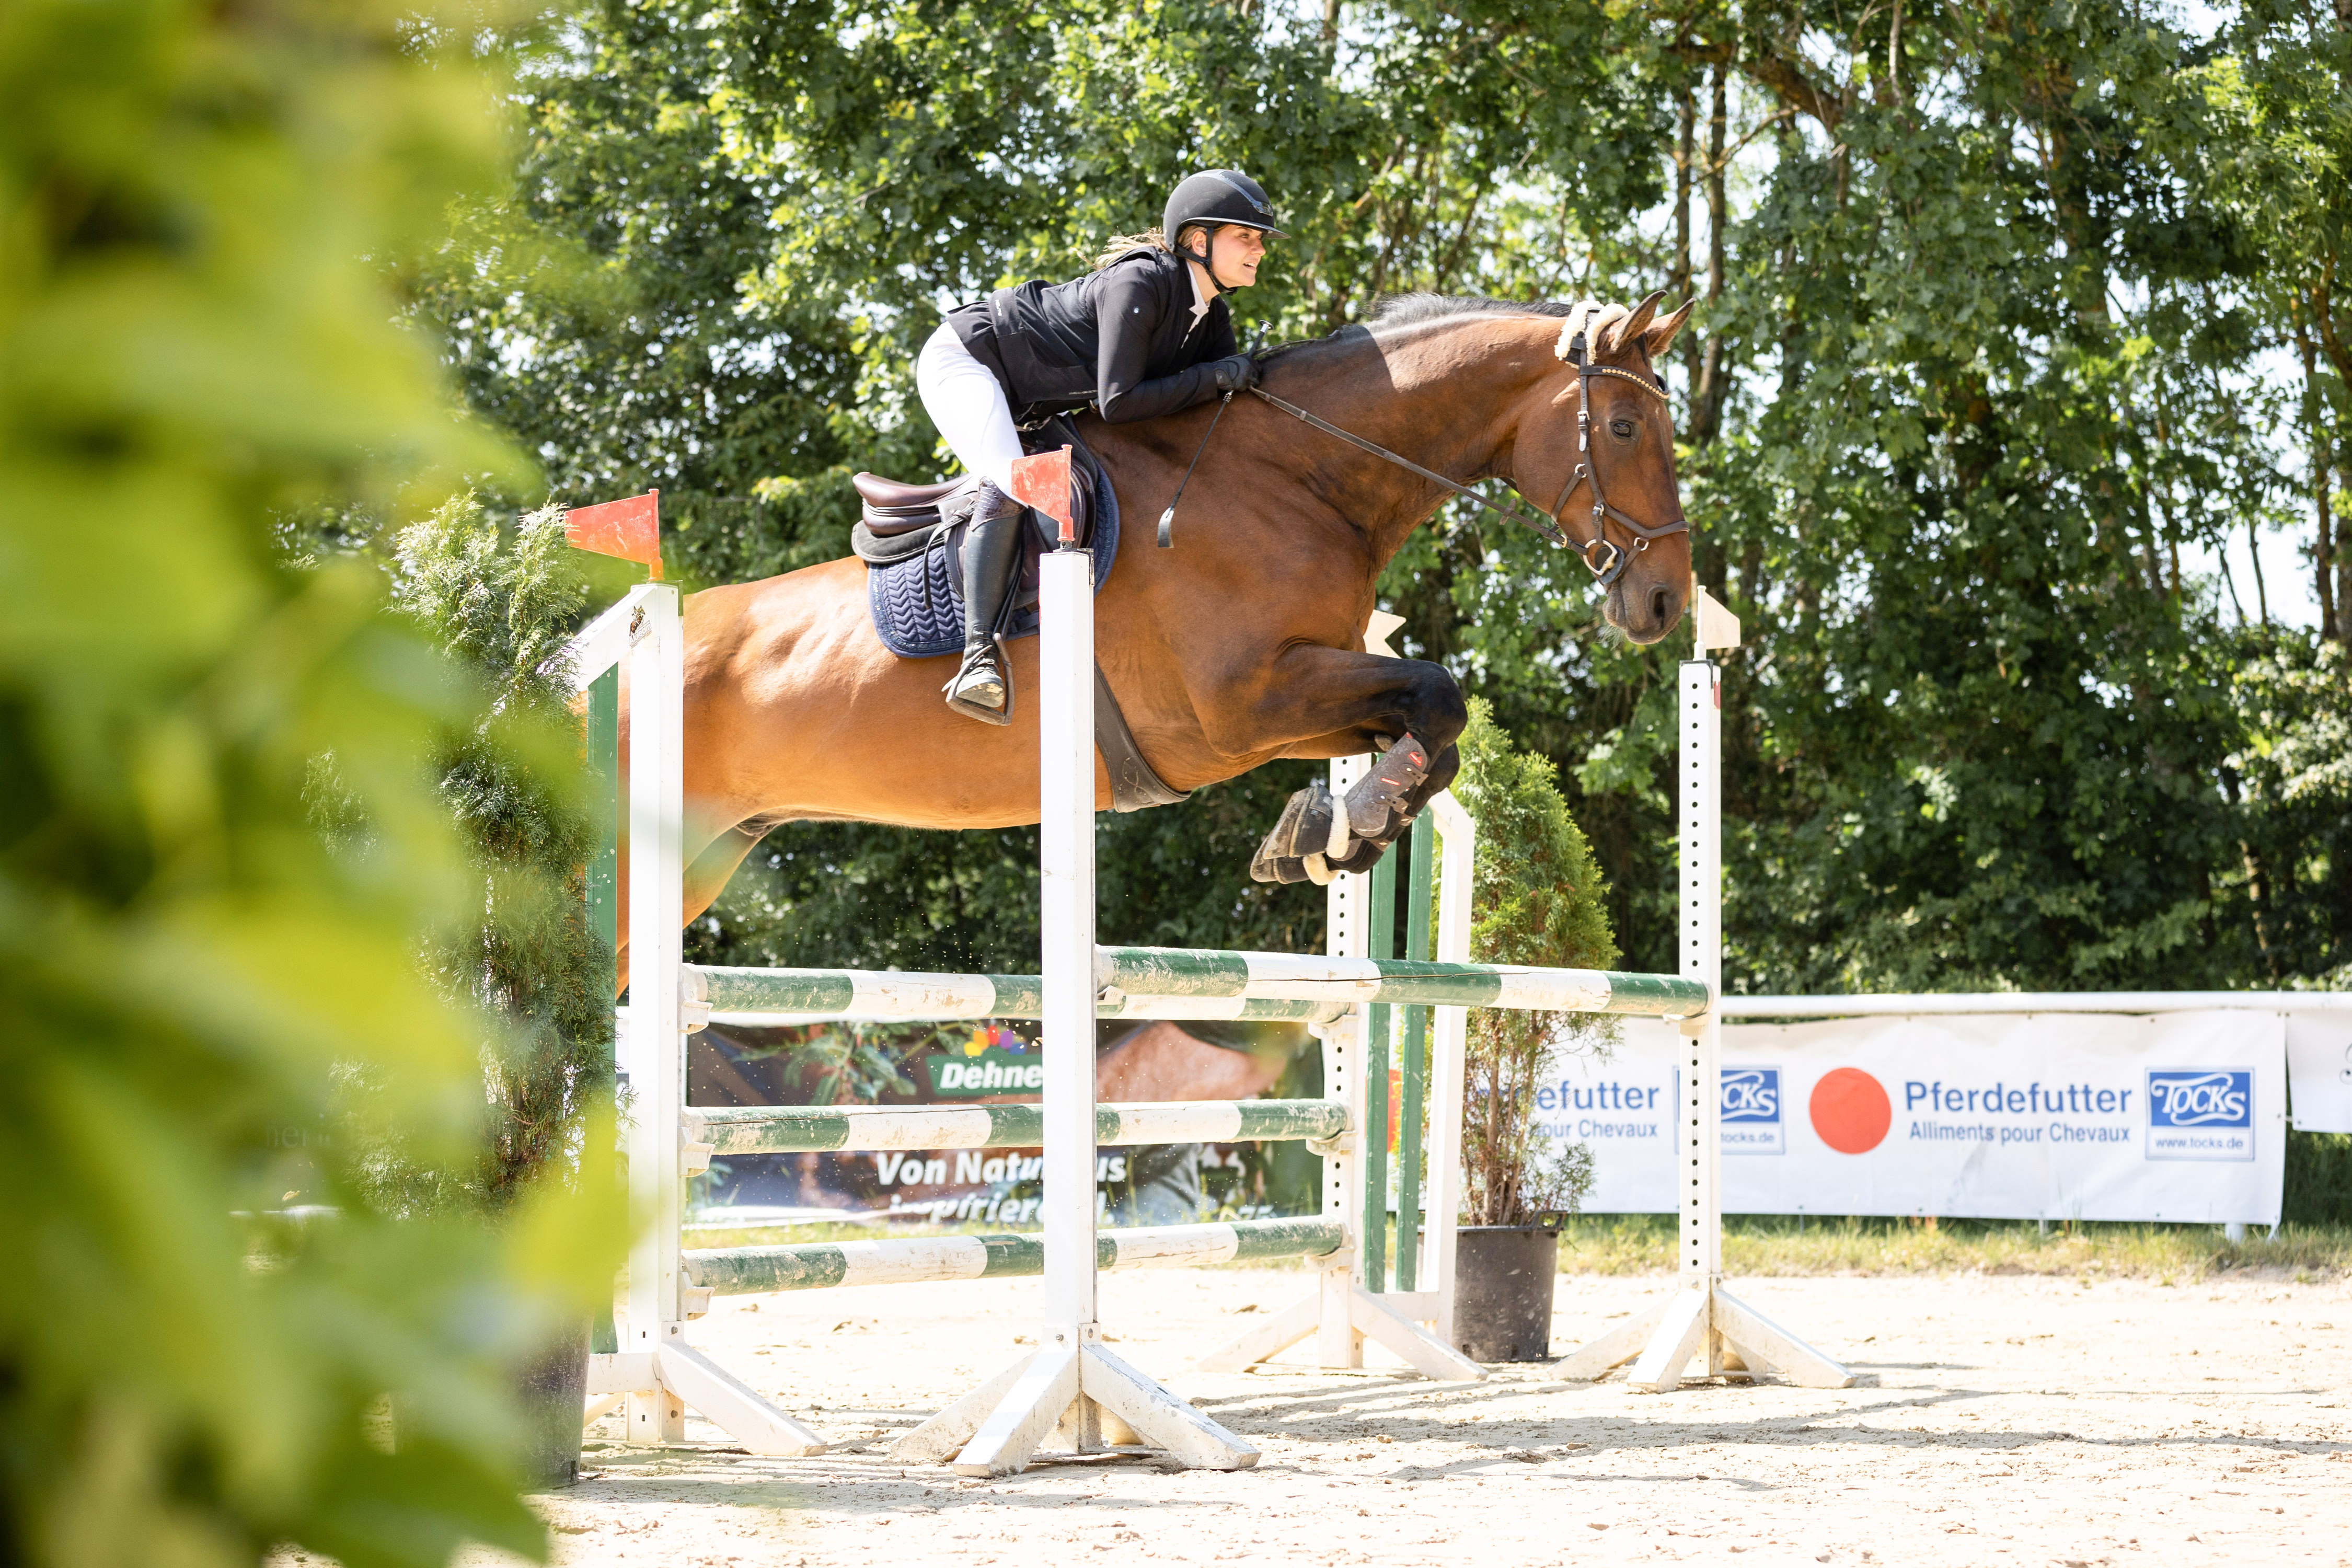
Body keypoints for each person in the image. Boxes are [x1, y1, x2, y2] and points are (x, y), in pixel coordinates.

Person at [917, 170, 1284, 722]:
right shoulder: (1139, 284)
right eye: (1246, 236)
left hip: (1035, 402)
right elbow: (1119, 403)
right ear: (1199, 241)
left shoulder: (1211, 319)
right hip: (970, 359)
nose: (1259, 249)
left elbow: (1212, 416)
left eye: (1260, 240)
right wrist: (1216, 378)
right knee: (1015, 477)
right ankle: (978, 657)